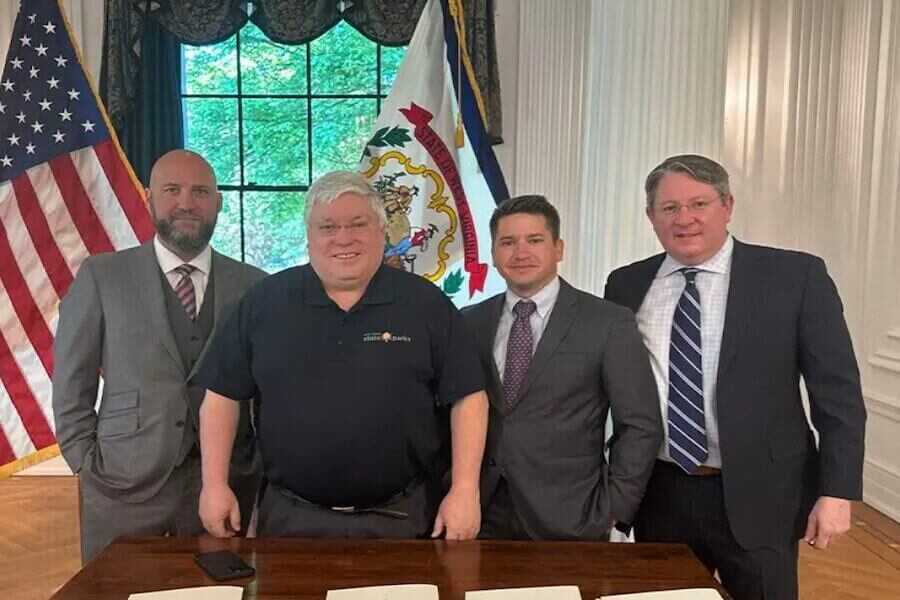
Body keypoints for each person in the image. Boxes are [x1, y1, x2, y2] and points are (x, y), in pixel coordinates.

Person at [604, 154, 867, 600]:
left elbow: (837, 394)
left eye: (698, 204)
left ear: (727, 206)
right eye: (669, 208)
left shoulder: (795, 276)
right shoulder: (626, 284)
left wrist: (837, 491)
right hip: (661, 490)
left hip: (763, 494)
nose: (684, 219)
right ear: (651, 217)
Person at [195, 170, 488, 540]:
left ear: (382, 231)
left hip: (401, 517)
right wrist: (214, 485)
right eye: (327, 227)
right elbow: (221, 396)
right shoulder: (262, 303)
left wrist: (464, 490)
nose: (343, 238)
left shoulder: (426, 303)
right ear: (309, 236)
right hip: (290, 519)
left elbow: (468, 397)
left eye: (358, 224)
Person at [52, 150, 265, 563]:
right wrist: (85, 463)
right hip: (121, 487)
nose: (186, 202)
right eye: (172, 190)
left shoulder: (253, 285)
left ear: (218, 202)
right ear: (148, 197)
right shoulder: (101, 277)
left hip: (229, 486)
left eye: (200, 191)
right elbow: (71, 383)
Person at [462, 195, 662, 540]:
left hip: (573, 517)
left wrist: (616, 511)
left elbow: (639, 424)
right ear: (493, 254)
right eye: (507, 242)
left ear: (559, 248)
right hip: (480, 514)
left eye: (535, 240)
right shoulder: (468, 323)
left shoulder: (608, 322)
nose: (520, 253)